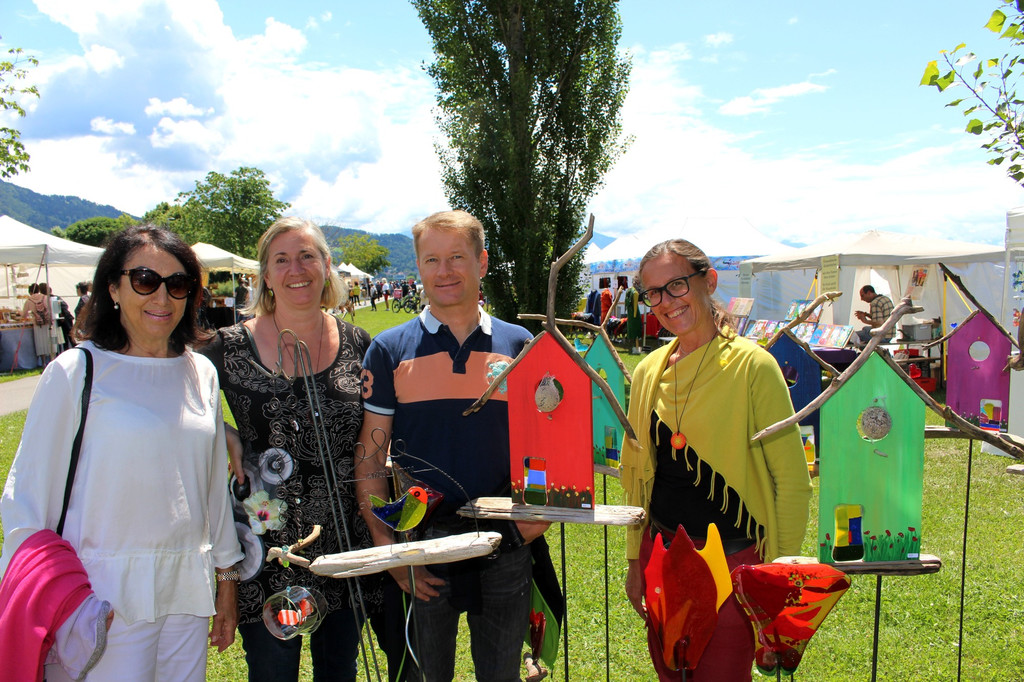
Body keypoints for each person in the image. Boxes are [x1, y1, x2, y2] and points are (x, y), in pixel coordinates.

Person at [0, 224, 243, 680]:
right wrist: (49, 597)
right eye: (145, 280)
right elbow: (27, 500)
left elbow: (211, 486)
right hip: (100, 596)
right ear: (112, 286)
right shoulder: (76, 371)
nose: (162, 298)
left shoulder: (200, 375)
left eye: (178, 284)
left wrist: (226, 575)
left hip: (185, 591)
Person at [356, 210, 548, 682]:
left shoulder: (521, 344)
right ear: (418, 267)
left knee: (500, 675)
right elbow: (370, 456)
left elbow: (545, 444)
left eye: (457, 257)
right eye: (432, 259)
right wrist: (389, 551)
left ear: (481, 262)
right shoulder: (388, 349)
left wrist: (534, 523)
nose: (444, 271)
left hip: (505, 542)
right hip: (420, 545)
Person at [197, 217, 382, 682]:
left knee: (339, 668)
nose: (295, 268)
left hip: (344, 540)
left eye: (306, 256)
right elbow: (164, 392)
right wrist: (221, 430)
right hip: (267, 547)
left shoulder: (361, 344)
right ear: (265, 275)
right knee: (273, 670)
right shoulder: (227, 347)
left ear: (325, 266)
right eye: (281, 259)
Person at [621, 239, 811, 681]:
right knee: (671, 672)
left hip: (734, 563)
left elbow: (791, 480)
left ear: (709, 282)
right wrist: (635, 560)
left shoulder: (753, 367)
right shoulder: (648, 370)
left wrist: (776, 577)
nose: (666, 302)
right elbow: (638, 477)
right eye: (654, 292)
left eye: (677, 285)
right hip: (662, 556)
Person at [23, 282, 53, 366]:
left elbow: (23, 314)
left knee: (40, 342)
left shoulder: (29, 300)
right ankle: (51, 359)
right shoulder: (45, 297)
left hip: (37, 324)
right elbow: (51, 310)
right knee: (49, 340)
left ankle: (43, 362)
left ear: (30, 292)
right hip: (47, 323)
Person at [624, 276, 643, 354]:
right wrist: (635, 316)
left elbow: (626, 304)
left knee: (631, 331)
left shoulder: (628, 291)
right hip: (634, 315)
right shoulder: (635, 293)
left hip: (630, 313)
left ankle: (632, 347)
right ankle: (636, 348)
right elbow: (635, 306)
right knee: (636, 331)